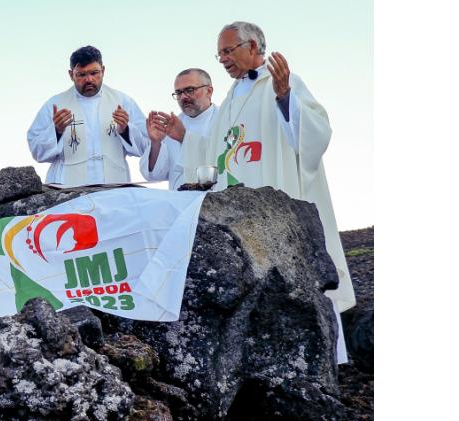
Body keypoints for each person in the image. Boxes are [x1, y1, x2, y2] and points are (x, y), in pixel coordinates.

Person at [176, 20, 355, 360]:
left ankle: (321, 359)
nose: (224, 59)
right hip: (243, 207)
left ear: (254, 47)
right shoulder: (230, 99)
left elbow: (314, 134)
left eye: (228, 51)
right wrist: (183, 139)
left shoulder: (283, 82)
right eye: (220, 54)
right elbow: (218, 148)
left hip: (280, 202)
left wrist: (286, 97)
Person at [27, 45, 149, 187]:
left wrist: (126, 130)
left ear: (103, 71)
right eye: (82, 75)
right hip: (67, 188)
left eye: (94, 73)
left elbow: (146, 148)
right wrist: (57, 131)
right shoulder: (55, 104)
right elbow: (37, 151)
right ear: (71, 74)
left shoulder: (123, 102)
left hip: (114, 186)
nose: (89, 80)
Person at [140, 69, 219, 190]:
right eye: (178, 93)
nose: (183, 97)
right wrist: (156, 143)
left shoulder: (224, 120)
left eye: (190, 90)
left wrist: (184, 137)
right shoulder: (171, 126)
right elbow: (154, 175)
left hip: (216, 201)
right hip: (181, 202)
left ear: (209, 91)